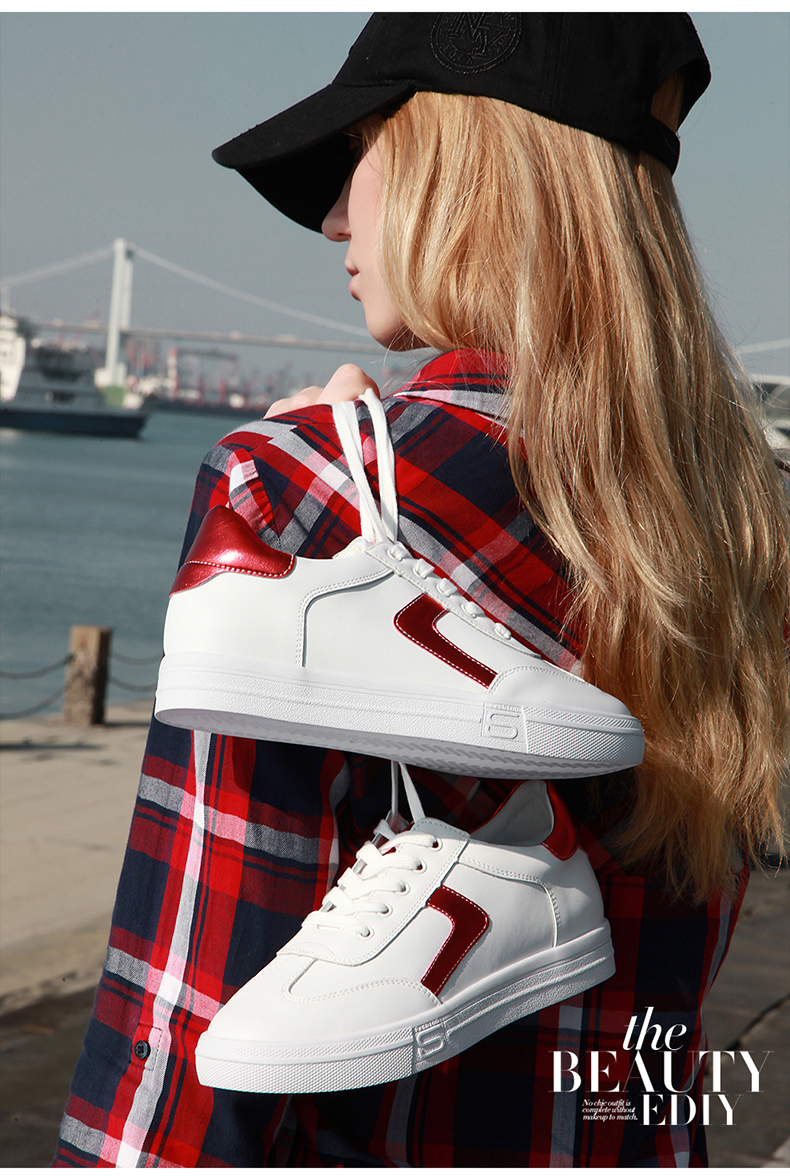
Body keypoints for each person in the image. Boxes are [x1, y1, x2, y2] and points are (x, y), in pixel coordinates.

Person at [54, 13, 789, 1167]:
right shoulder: (751, 525)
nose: (334, 220)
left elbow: (193, 1028)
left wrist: (327, 479)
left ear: (468, 169)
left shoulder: (297, 499)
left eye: (357, 155)